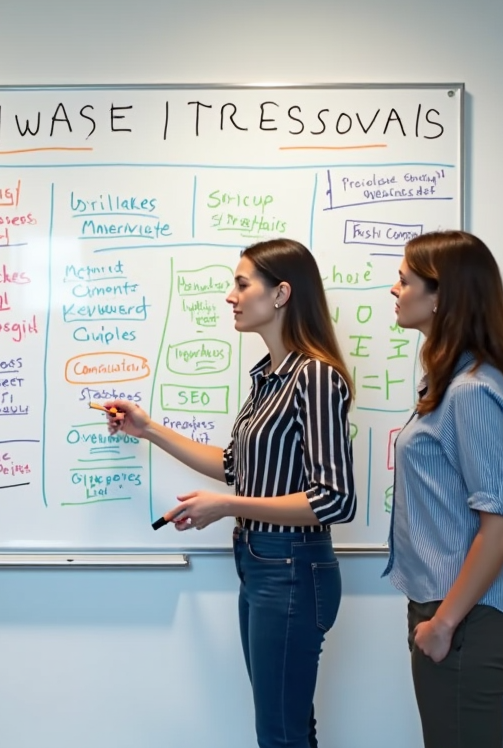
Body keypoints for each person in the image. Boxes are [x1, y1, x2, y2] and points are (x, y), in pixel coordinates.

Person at [105, 238, 355, 748]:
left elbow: (334, 499)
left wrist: (226, 507)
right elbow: (235, 466)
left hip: (291, 569)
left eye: (242, 284)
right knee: (287, 727)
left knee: (279, 735)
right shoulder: (268, 378)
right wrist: (148, 428)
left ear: (281, 294)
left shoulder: (315, 378)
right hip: (262, 565)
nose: (230, 296)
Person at [383, 230, 503, 748]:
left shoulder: (469, 391)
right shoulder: (450, 382)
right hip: (449, 607)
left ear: (440, 295)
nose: (394, 289)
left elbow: (501, 529)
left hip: (466, 614)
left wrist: (444, 624)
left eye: (404, 280)